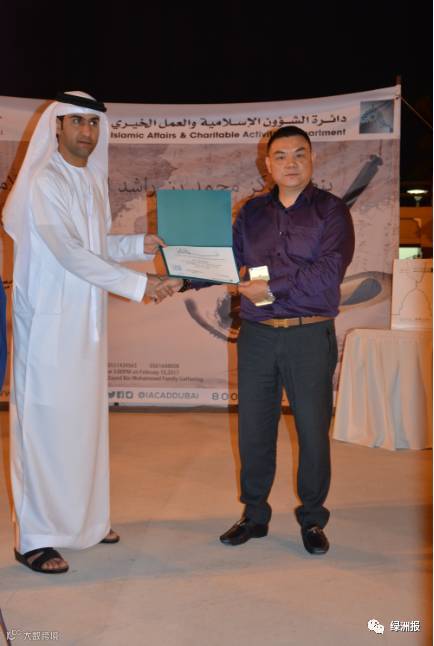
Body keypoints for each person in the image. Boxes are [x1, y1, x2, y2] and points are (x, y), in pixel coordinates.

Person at [2, 91, 178, 573]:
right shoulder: (44, 180)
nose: (86, 131)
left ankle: (87, 523)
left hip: (87, 321)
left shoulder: (92, 179)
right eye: (77, 121)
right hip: (49, 325)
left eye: (93, 123)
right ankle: (35, 538)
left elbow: (94, 244)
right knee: (42, 429)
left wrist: (139, 244)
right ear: (57, 126)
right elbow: (67, 252)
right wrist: (140, 285)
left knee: (84, 425)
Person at [218, 125, 355, 554]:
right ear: (268, 164)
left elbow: (328, 272)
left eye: (299, 154)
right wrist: (183, 273)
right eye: (281, 155)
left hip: (309, 334)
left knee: (312, 431)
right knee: (253, 430)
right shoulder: (252, 212)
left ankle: (312, 519)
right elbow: (230, 263)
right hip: (257, 335)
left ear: (312, 159)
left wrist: (271, 288)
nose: (290, 163)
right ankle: (254, 514)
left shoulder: (331, 210)